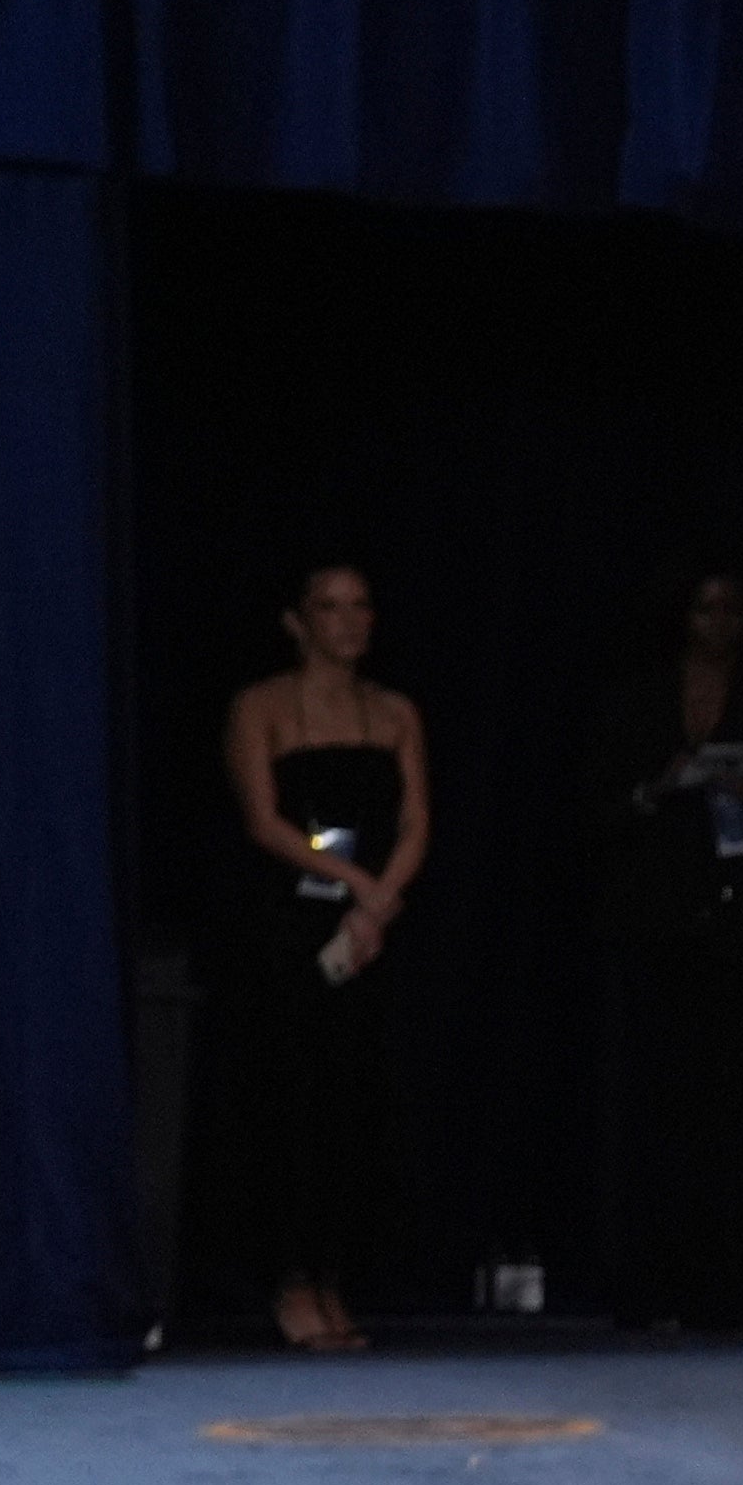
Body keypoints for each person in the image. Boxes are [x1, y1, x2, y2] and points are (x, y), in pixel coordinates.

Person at [599, 566, 743, 1329]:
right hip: (657, 916)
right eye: (705, 609)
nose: (718, 623)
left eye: (732, 609)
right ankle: (652, 1282)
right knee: (659, 1104)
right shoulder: (637, 700)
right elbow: (595, 808)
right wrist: (658, 789)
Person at [218, 561, 435, 1351]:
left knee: (355, 1106)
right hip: (289, 928)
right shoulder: (262, 707)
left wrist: (378, 902)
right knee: (293, 1103)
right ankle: (289, 1279)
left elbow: (414, 822)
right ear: (297, 621)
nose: (348, 621)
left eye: (360, 605)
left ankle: (336, 1273)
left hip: (369, 933)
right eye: (330, 607)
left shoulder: (395, 712)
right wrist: (354, 883)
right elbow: (264, 822)